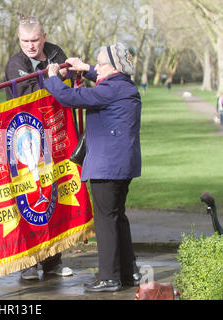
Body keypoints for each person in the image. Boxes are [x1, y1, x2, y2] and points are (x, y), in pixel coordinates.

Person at [44, 42, 142, 292]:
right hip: (121, 165)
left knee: (106, 221)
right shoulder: (123, 85)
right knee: (118, 218)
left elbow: (71, 98)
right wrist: (84, 67)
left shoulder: (110, 89)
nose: (95, 67)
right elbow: (101, 76)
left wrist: (53, 77)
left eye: (99, 64)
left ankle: (109, 278)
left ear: (112, 67)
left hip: (107, 166)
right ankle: (128, 273)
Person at [4, 16, 73, 280]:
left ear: (43, 37)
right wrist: (54, 78)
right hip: (24, 137)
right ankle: (29, 264)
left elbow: (62, 89)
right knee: (29, 196)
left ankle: (53, 262)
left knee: (53, 194)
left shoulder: (56, 53)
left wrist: (57, 80)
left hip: (52, 133)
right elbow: (29, 93)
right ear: (19, 40)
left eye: (34, 40)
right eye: (24, 41)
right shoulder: (15, 64)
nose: (30, 46)